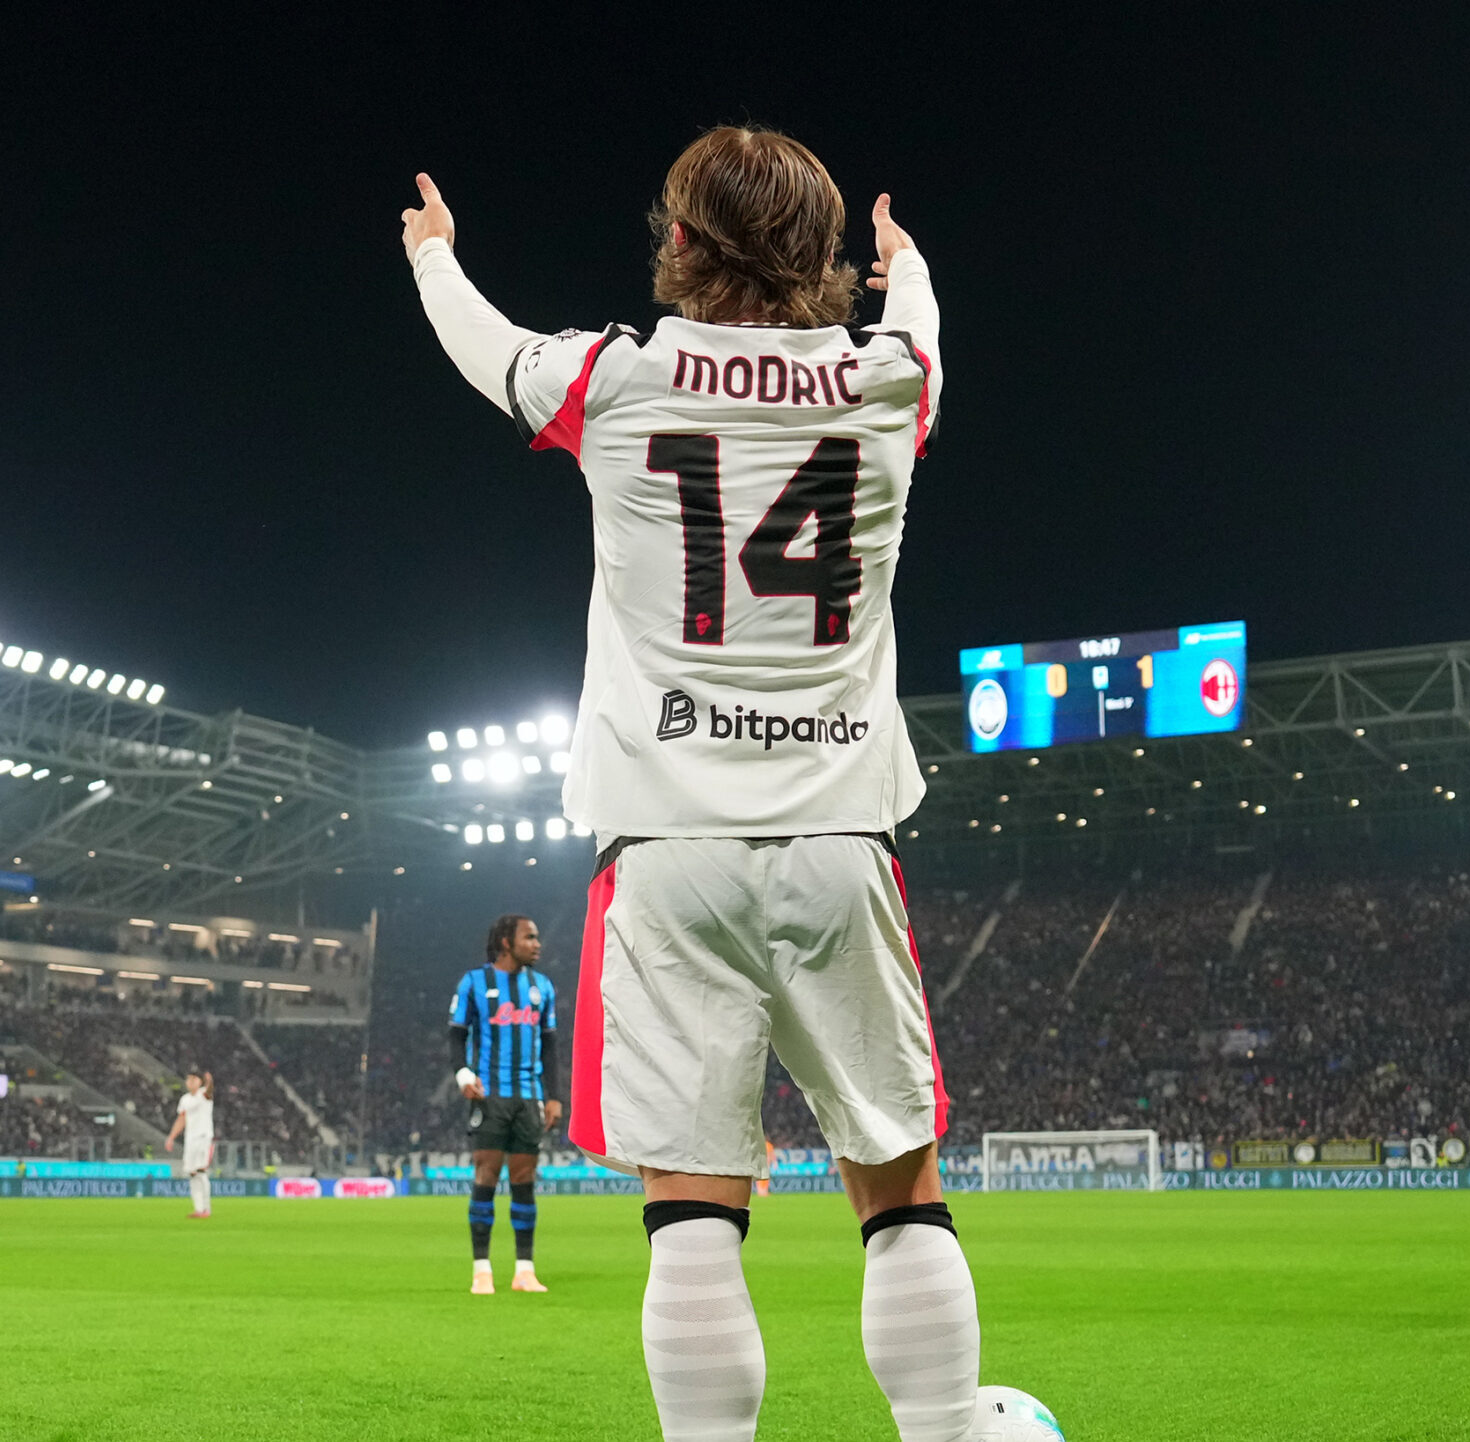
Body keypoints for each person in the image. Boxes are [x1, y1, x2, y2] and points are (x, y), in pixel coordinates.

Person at [404, 124, 975, 1440]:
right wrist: (909, 266)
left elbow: (481, 343)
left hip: (665, 851)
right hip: (841, 835)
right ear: (824, 261)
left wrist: (434, 254)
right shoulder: (892, 382)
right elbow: (926, 332)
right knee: (902, 1192)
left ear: (676, 244)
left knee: (695, 1214)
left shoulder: (612, 380)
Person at [449, 914, 561, 1295]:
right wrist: (463, 1074)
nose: (537, 944)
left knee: (524, 1179)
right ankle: (482, 1270)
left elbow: (550, 1046)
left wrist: (555, 1095)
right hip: (490, 1094)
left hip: (529, 1096)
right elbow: (456, 1035)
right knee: (486, 1175)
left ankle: (524, 1270)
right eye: (529, 937)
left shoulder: (541, 987)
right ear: (506, 942)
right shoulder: (474, 983)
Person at [165, 1069, 216, 1218]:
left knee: (201, 1171)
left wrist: (209, 1081)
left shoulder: (204, 1095)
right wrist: (171, 1137)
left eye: (194, 1079)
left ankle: (206, 1209)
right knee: (192, 1173)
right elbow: (181, 1119)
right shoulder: (185, 1099)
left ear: (200, 1082)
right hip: (190, 1139)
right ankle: (198, 1209)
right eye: (188, 1079)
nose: (190, 1082)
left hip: (203, 1137)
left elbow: (210, 1091)